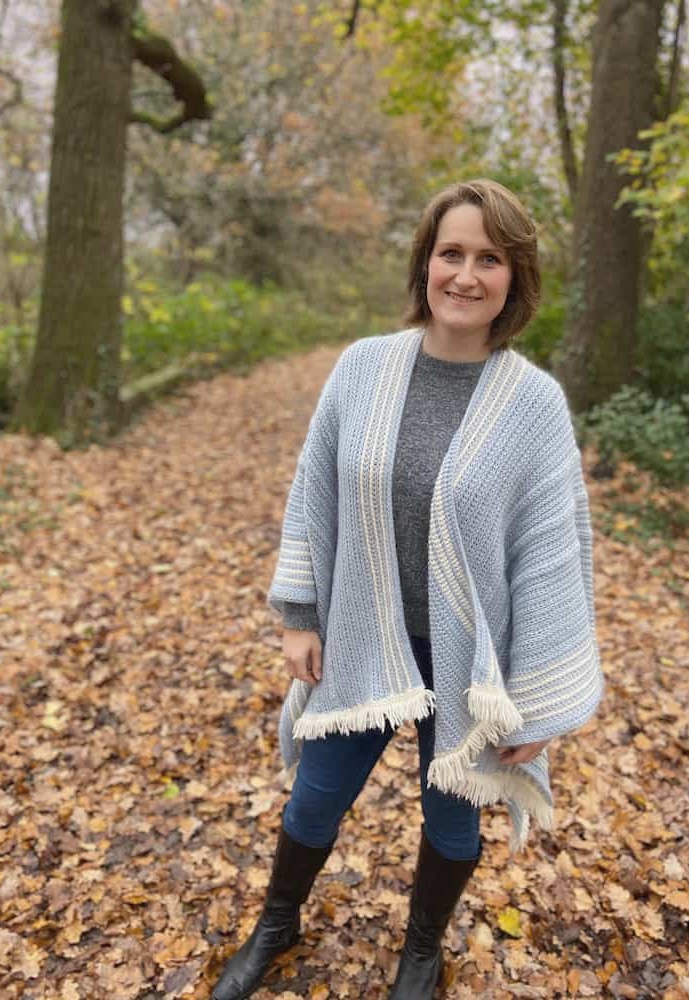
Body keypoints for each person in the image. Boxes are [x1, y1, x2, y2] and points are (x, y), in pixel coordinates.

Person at [211, 179, 603, 1000]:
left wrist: (535, 697)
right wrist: (299, 613)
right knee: (315, 799)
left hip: (466, 660)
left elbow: (550, 557)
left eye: (488, 258)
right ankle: (275, 929)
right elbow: (313, 488)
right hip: (363, 634)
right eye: (450, 253)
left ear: (514, 278)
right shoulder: (363, 368)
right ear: (426, 262)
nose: (466, 274)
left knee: (452, 819)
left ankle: (420, 954)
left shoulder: (533, 404)